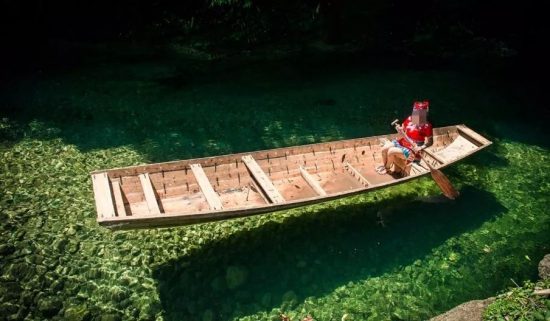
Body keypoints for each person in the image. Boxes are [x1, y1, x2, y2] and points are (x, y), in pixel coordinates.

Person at [376, 101, 433, 175]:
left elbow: (430, 142)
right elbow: (402, 132)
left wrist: (420, 148)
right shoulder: (409, 119)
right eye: (415, 112)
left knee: (391, 151)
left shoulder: (427, 126)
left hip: (412, 150)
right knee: (384, 149)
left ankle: (387, 168)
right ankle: (385, 165)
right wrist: (399, 130)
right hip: (402, 142)